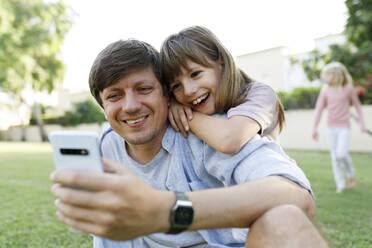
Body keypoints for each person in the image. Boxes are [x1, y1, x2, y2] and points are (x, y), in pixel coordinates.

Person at [51, 39, 328, 247]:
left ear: (166, 95)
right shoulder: (105, 148)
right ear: (103, 106)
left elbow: (295, 195)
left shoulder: (204, 135)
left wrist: (167, 210)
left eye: (144, 89)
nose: (131, 106)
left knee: (283, 221)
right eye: (114, 96)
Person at [160, 26, 285, 154]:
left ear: (222, 64)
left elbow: (230, 140)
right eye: (176, 86)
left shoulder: (261, 95)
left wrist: (186, 117)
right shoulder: (181, 103)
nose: (188, 91)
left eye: (195, 74)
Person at [312, 61, 366, 194]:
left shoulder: (348, 89)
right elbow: (319, 109)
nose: (325, 77)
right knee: (335, 156)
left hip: (344, 127)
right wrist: (315, 127)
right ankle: (340, 184)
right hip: (331, 127)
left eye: (327, 75)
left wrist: (362, 124)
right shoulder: (325, 90)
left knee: (341, 154)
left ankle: (350, 174)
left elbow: (357, 106)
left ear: (336, 76)